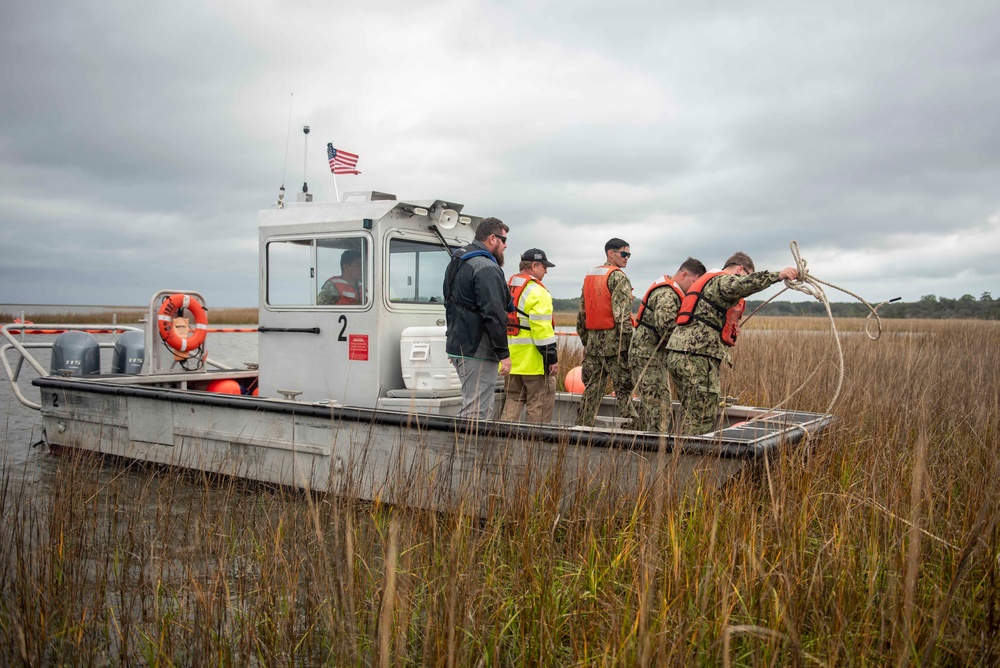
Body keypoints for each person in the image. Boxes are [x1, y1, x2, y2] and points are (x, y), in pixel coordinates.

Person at [666, 251, 798, 435]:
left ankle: (681, 452)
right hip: (696, 357)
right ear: (740, 269)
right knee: (701, 416)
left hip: (679, 354)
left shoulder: (707, 282)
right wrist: (777, 276)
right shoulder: (723, 280)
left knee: (692, 412)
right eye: (746, 275)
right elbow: (742, 285)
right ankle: (691, 458)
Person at [443, 217, 512, 419]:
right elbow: (494, 314)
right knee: (477, 413)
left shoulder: (458, 260)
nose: (506, 245)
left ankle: (468, 448)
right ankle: (467, 451)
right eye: (503, 240)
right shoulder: (486, 267)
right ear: (492, 238)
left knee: (473, 406)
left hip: (460, 346)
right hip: (477, 350)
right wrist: (503, 353)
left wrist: (453, 341)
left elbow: (450, 304)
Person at [629, 257, 707, 432]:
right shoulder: (667, 293)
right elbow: (666, 328)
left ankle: (651, 443)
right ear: (684, 275)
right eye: (695, 282)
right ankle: (653, 449)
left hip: (654, 358)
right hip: (647, 358)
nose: (696, 288)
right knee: (659, 410)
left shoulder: (672, 290)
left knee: (659, 405)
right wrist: (693, 343)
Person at [575, 238, 639, 427]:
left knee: (592, 389)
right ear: (611, 254)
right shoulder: (618, 277)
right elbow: (622, 318)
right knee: (624, 390)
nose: (627, 258)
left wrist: (586, 342)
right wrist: (627, 346)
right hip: (615, 346)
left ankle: (581, 429)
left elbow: (581, 315)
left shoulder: (590, 276)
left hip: (594, 345)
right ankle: (632, 429)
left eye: (629, 255)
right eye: (624, 254)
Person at [500, 248, 559, 423]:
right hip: (533, 361)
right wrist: (552, 358)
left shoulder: (504, 286)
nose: (546, 271)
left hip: (509, 360)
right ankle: (534, 447)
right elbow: (542, 330)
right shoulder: (537, 291)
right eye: (544, 266)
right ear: (534, 266)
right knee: (538, 403)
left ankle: (503, 445)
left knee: (512, 400)